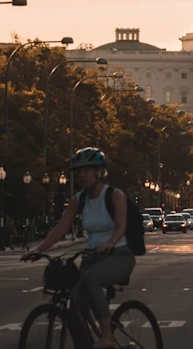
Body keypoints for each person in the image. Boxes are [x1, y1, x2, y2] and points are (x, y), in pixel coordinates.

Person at [22, 148, 135, 349]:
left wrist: (110, 242)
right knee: (72, 303)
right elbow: (61, 227)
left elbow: (121, 225)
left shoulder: (114, 195)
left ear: (99, 172)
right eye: (78, 172)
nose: (81, 175)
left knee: (91, 280)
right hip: (92, 257)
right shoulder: (79, 200)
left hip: (118, 255)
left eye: (86, 170)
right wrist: (39, 249)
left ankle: (107, 337)